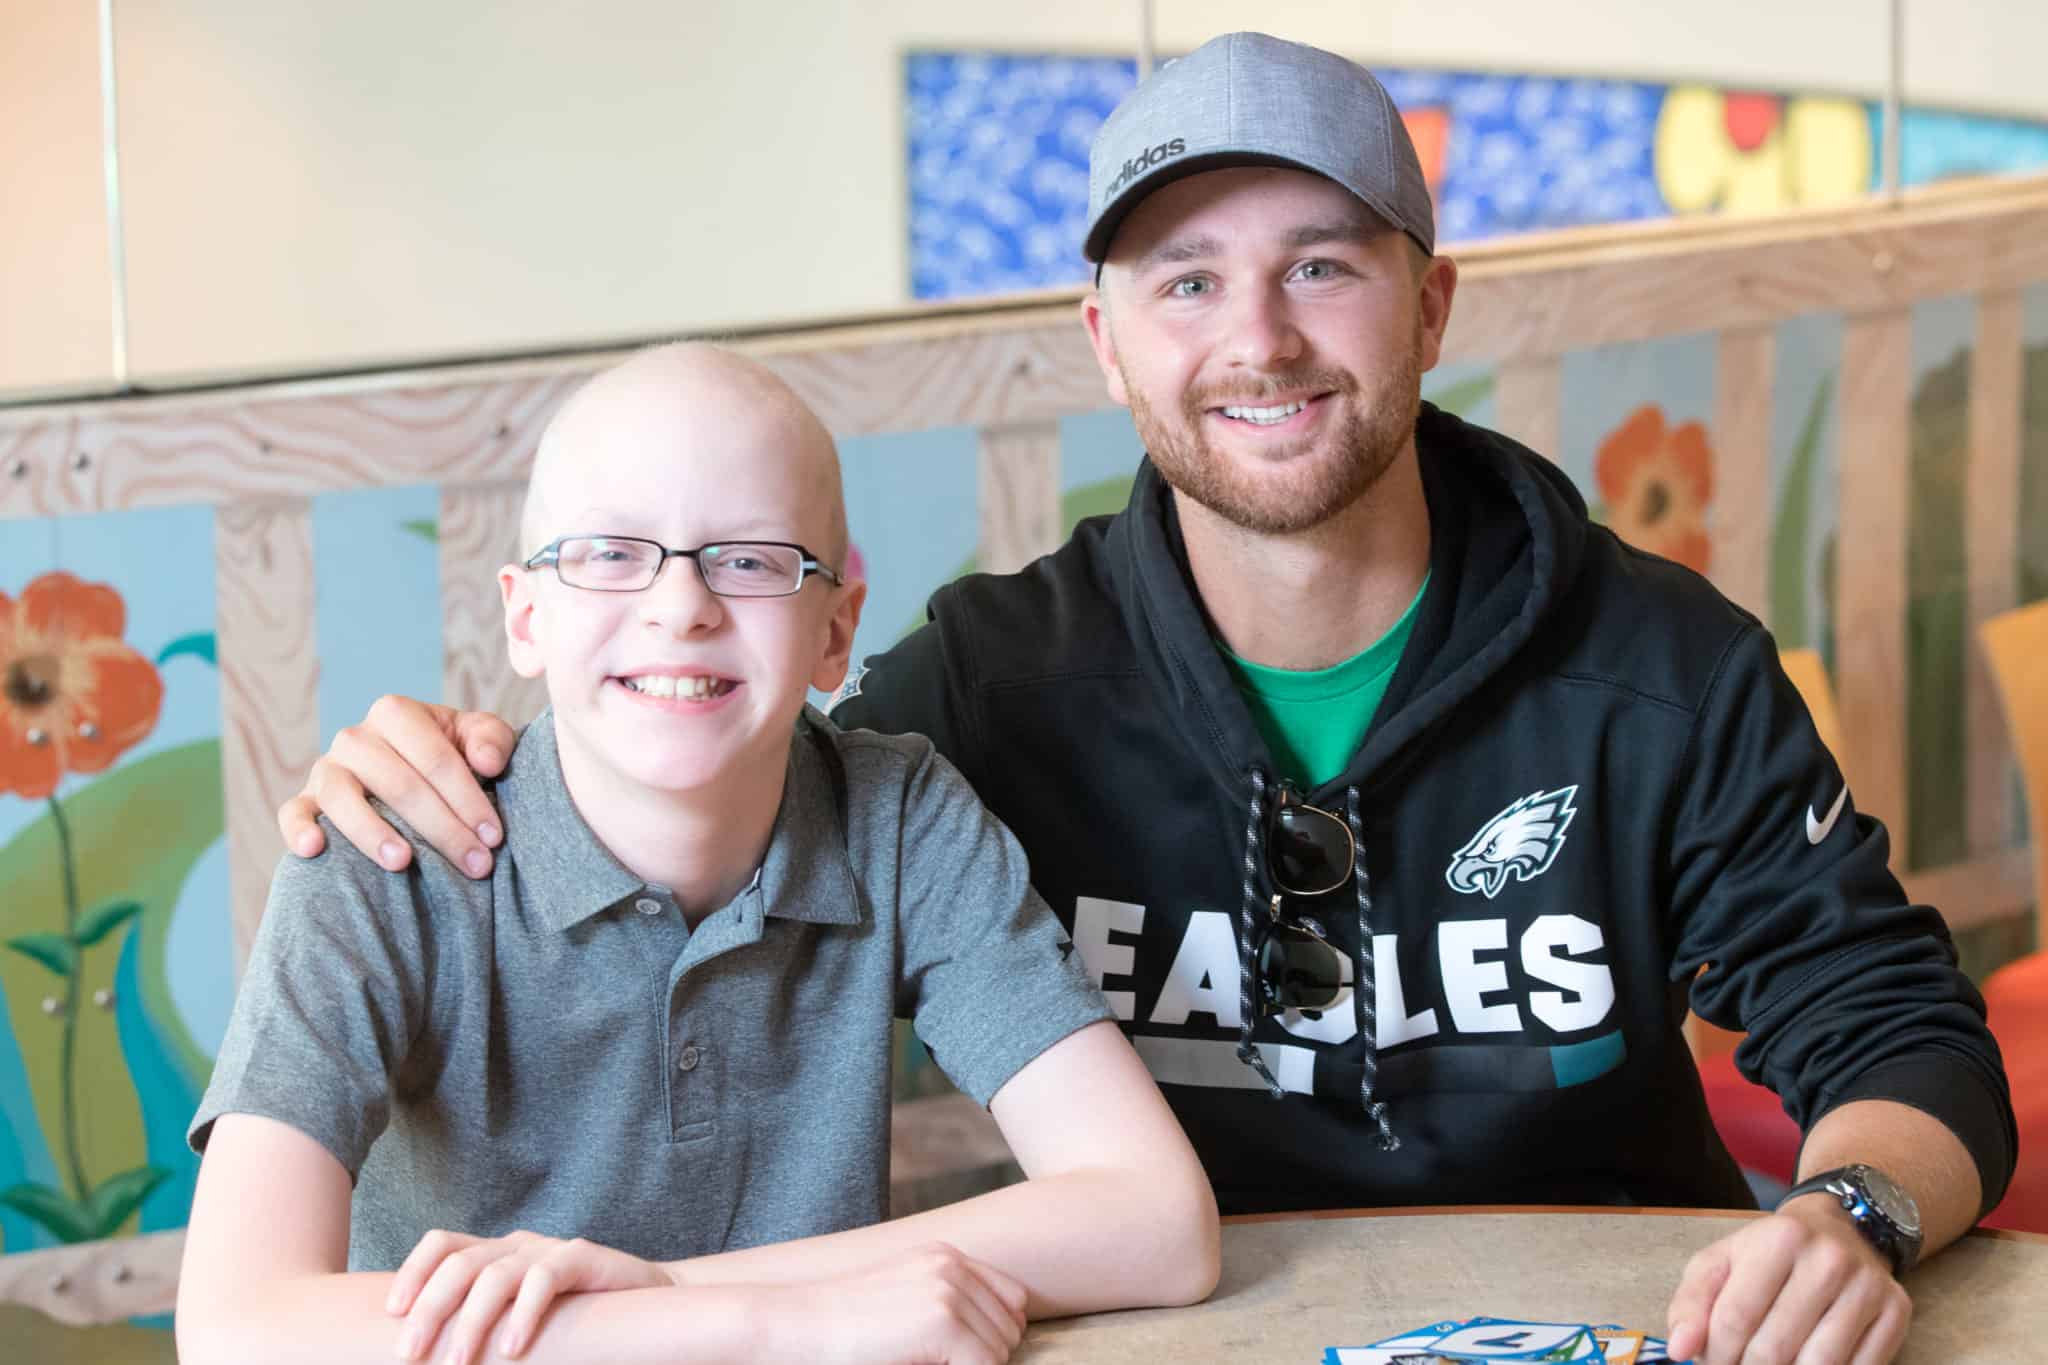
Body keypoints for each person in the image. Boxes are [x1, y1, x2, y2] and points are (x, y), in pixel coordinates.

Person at [278, 33, 2016, 1365]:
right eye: (1186, 281)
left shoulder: (1657, 665)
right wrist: (461, 754)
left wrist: (1850, 1212)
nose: (1255, 337)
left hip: (1592, 1305)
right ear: (1106, 343)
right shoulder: (983, 686)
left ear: (1428, 307)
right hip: (1161, 1333)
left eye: (1320, 267)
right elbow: (714, 785)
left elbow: (1905, 1040)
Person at [181, 343, 1219, 1365]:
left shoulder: (900, 820)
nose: (681, 607)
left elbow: (1156, 1222)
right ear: (525, 614)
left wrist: (662, 1291)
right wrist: (784, 1326)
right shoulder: (377, 857)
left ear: (833, 631)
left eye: (751, 559)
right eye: (609, 553)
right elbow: (237, 1326)